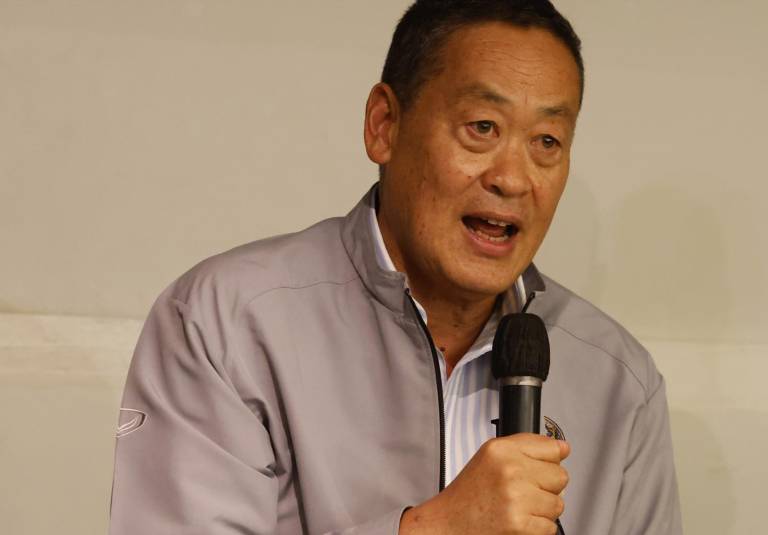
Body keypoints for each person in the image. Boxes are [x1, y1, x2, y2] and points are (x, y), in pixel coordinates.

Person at [109, 1, 682, 534]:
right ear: (384, 125)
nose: (512, 178)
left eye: (548, 141)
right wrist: (434, 529)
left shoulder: (618, 381)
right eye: (482, 128)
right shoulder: (228, 324)